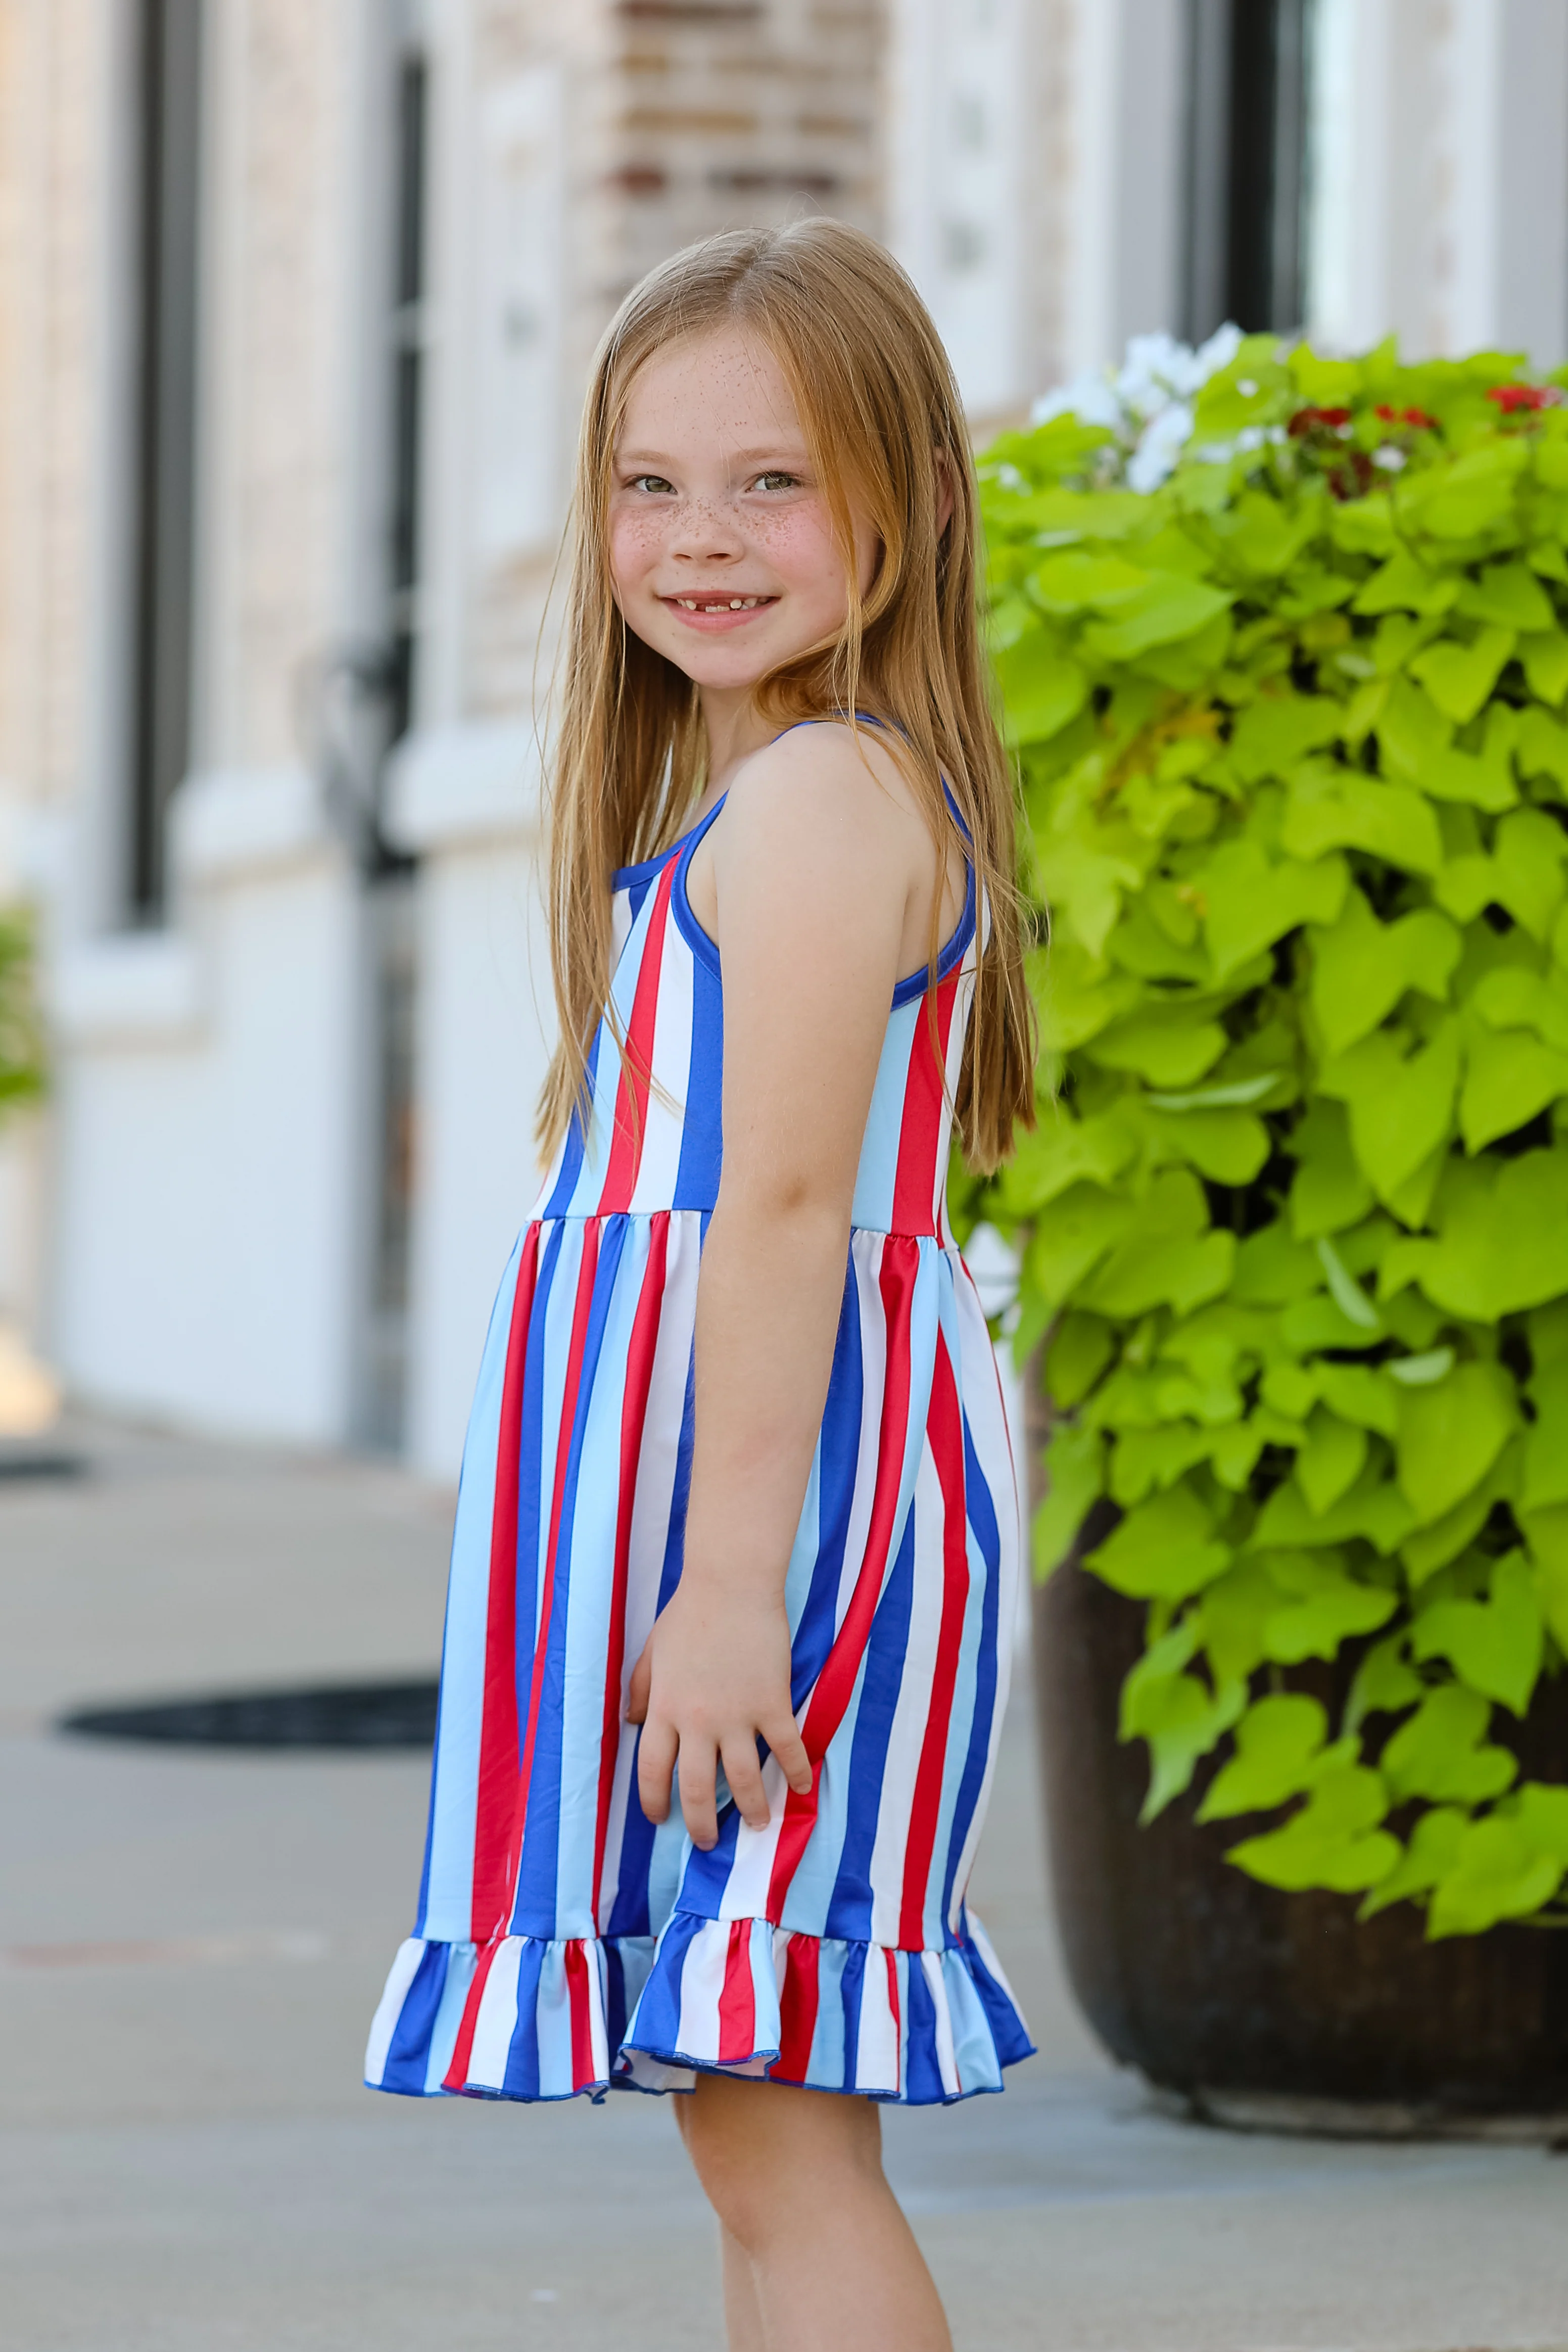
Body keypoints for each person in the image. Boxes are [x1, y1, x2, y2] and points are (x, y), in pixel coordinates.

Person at [365, 217, 1037, 2351]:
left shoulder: (829, 801)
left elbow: (778, 1212)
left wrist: (730, 1579)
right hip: (724, 1503)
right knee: (746, 2109)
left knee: (770, 2118)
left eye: (768, 480)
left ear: (910, 501)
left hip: (789, 1518)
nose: (698, 537)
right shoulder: (760, 797)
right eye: (650, 484)